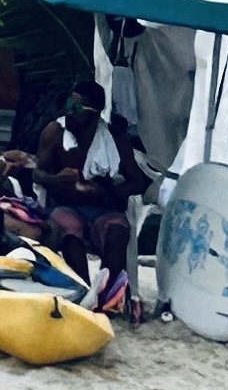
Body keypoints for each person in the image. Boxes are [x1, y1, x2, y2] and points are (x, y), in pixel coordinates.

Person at [36, 80, 147, 315]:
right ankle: (83, 291)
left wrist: (105, 193)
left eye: (76, 107)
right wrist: (57, 179)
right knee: (68, 227)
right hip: (67, 206)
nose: (69, 112)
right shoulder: (55, 132)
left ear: (95, 113)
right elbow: (37, 173)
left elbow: (137, 183)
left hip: (104, 209)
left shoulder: (115, 139)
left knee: (117, 231)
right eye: (68, 104)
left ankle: (106, 297)